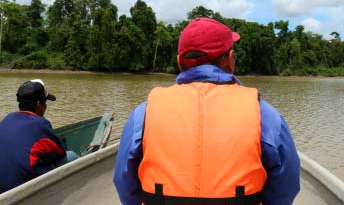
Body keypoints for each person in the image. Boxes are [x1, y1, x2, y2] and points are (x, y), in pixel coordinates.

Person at [114, 17, 300, 205]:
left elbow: (125, 185)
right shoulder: (265, 115)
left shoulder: (144, 113)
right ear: (230, 60)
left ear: (180, 62)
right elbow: (286, 189)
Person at [0, 79, 78, 193]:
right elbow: (60, 153)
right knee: (70, 156)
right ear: (38, 104)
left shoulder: (7, 119)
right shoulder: (40, 124)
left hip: (3, 190)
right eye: (45, 102)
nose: (46, 106)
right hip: (24, 191)